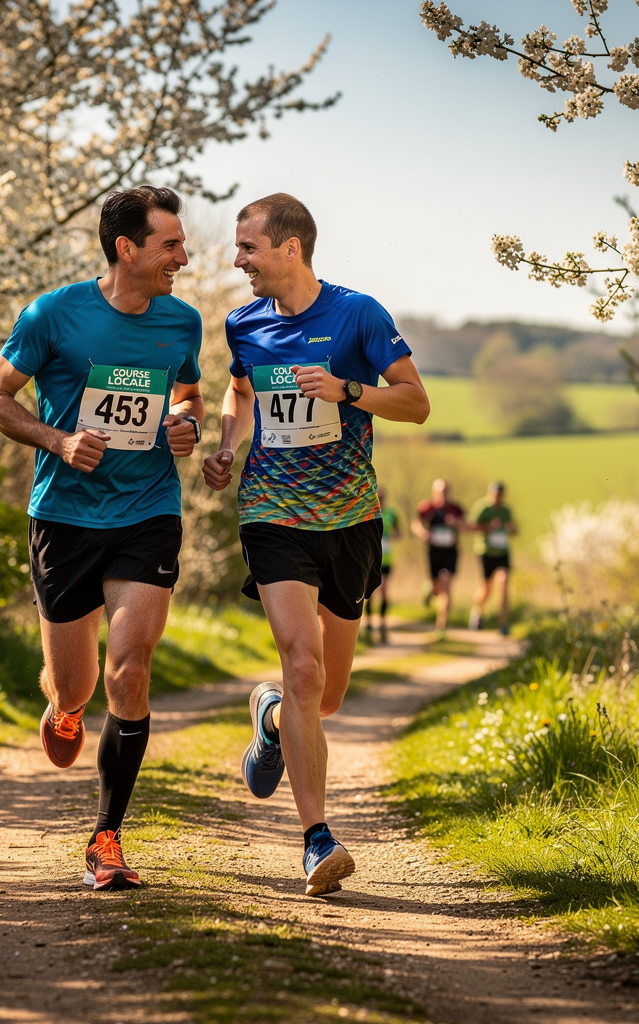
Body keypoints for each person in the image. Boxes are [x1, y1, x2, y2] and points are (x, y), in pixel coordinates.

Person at [202, 193, 429, 897]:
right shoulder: (244, 324)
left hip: (351, 519)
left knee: (324, 696)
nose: (239, 262)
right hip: (272, 513)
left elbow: (416, 402)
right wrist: (228, 445)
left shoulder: (359, 314)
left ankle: (271, 720)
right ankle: (315, 839)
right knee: (301, 667)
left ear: (290, 247)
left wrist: (347, 388)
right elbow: (239, 393)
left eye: (249, 248)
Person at [0, 185, 203, 891]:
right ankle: (63, 706)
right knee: (76, 685)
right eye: (170, 244)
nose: (184, 256)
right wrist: (58, 439)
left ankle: (106, 837)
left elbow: (191, 396)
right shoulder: (55, 315)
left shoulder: (183, 322)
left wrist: (186, 424)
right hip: (65, 518)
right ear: (125, 248)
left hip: (147, 510)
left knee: (129, 670)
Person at [411, 479, 466, 638]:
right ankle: (430, 588)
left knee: (446, 584)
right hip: (434, 553)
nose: (443, 495)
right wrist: (423, 533)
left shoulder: (455, 509)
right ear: (434, 493)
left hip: (450, 552)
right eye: (440, 492)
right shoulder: (427, 508)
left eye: (445, 492)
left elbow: (466, 525)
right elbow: (415, 524)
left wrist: (456, 523)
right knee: (437, 589)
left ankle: (441, 626)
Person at [469, 481, 517, 635]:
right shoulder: (482, 508)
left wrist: (512, 529)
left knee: (503, 583)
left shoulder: (506, 510)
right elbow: (472, 526)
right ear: (490, 494)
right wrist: (489, 527)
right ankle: (477, 611)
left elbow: (514, 530)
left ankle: (503, 623)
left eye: (500, 496)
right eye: (495, 495)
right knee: (486, 588)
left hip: (502, 552)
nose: (498, 498)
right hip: (486, 552)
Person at [365, 489, 401, 644]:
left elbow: (399, 533)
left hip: (386, 559)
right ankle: (368, 624)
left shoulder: (391, 515)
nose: (380, 500)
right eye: (378, 497)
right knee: (370, 593)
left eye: (382, 498)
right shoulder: (368, 513)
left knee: (384, 590)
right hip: (370, 559)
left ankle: (383, 624)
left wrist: (392, 535)